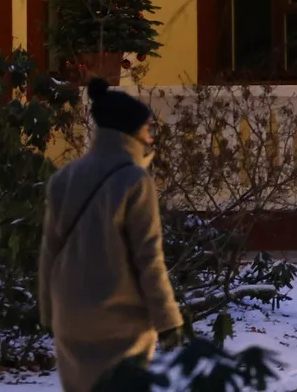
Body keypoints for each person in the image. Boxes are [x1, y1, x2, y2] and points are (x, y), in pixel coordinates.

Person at [38, 78, 183, 392]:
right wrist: (168, 320)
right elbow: (148, 259)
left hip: (71, 315)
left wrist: (50, 312)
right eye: (149, 128)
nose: (152, 136)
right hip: (120, 319)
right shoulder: (134, 180)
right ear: (130, 132)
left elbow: (49, 252)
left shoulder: (64, 178)